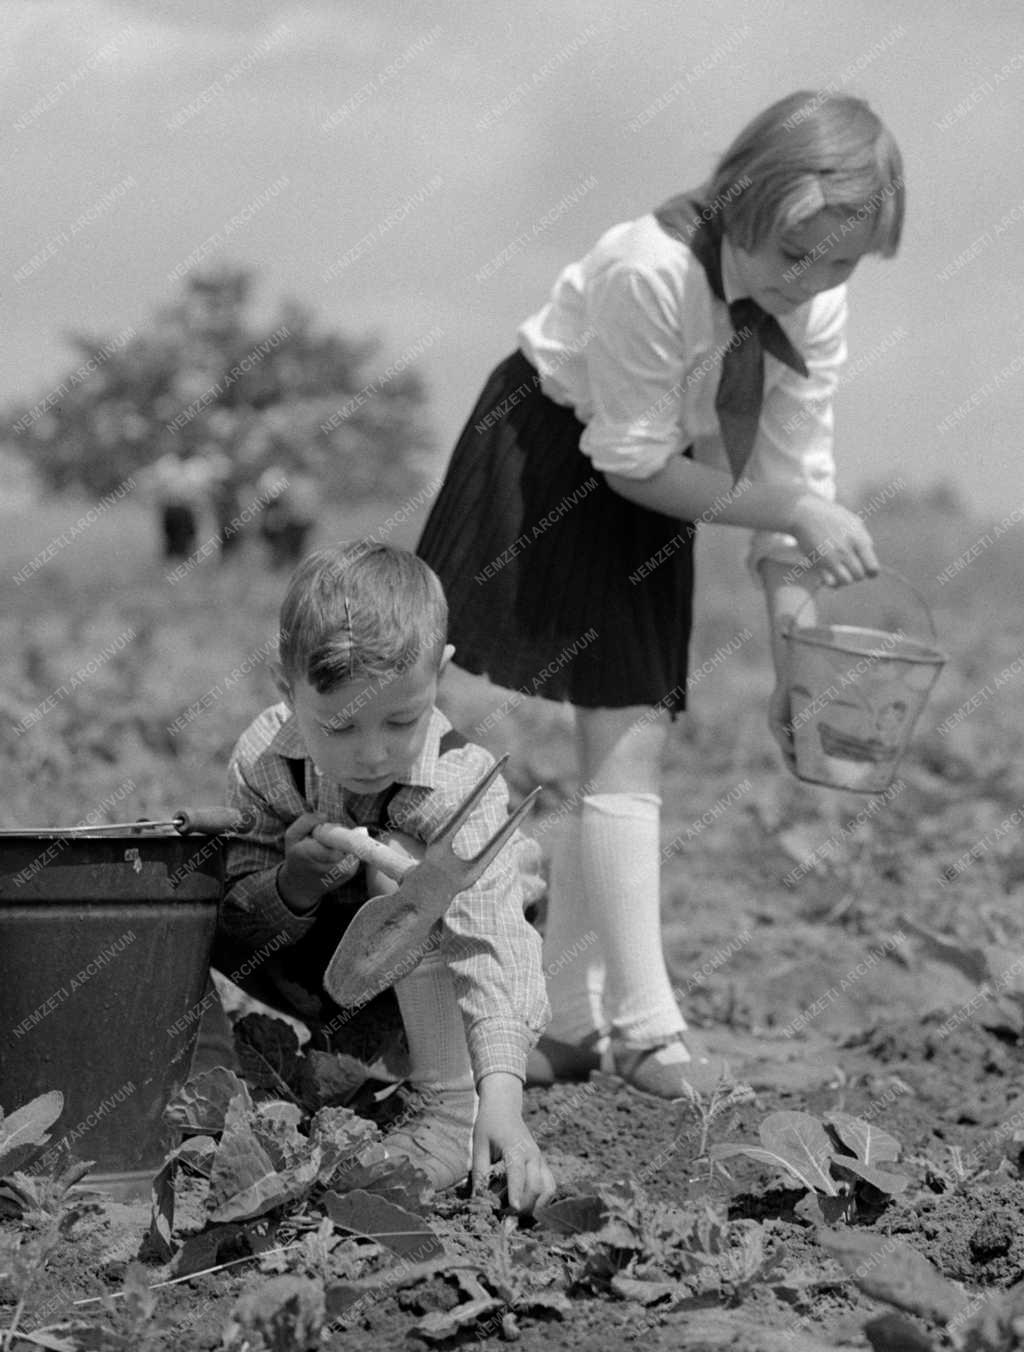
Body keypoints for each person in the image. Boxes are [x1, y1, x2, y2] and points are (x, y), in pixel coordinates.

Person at [417, 90, 899, 1098]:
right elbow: (632, 461)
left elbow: (793, 480)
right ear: (741, 203)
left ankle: (576, 1019)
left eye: (839, 264)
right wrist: (795, 512)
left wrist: (795, 669)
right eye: (787, 257)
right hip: (552, 454)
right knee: (543, 724)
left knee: (625, 731)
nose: (807, 282)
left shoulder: (813, 305)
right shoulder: (652, 270)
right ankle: (640, 1031)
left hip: (656, 473)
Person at [213, 541, 555, 1212]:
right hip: (339, 971)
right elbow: (235, 914)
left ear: (440, 675)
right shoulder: (266, 760)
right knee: (203, 895)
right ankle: (381, 1064)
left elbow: (492, 941)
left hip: (460, 956)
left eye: (402, 721)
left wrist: (504, 1105)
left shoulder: (459, 783)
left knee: (408, 866)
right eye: (339, 727)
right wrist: (294, 883)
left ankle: (454, 1108)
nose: (372, 755)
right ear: (288, 694)